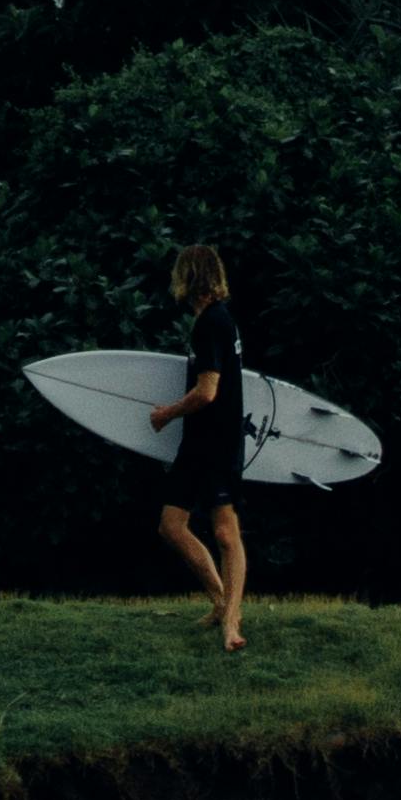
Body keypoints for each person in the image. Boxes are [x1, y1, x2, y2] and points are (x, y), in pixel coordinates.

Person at [147, 250, 248, 648]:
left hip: (219, 442)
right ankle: (222, 603)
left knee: (226, 533)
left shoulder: (213, 323)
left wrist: (166, 414)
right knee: (171, 526)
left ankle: (232, 624)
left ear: (189, 277)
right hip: (198, 442)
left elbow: (208, 393)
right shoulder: (211, 321)